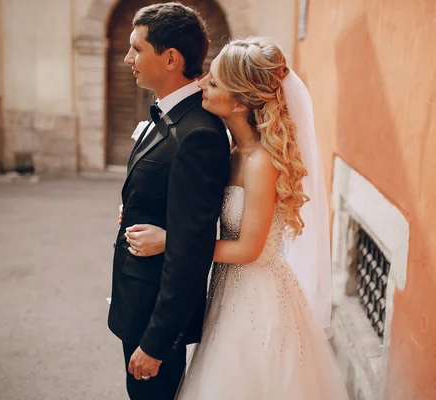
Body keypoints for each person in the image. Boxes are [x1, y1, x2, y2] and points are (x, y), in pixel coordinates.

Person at [125, 37, 348, 399]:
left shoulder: (260, 163)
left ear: (241, 102)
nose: (200, 86)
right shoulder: (231, 149)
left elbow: (249, 250)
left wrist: (172, 240)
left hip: (257, 296)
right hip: (228, 288)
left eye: (213, 83)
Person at [107, 3, 230, 399]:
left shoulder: (198, 134)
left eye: (136, 49)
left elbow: (191, 251)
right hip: (136, 299)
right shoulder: (169, 115)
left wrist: (158, 343)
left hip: (155, 319)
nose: (128, 59)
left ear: (172, 58)